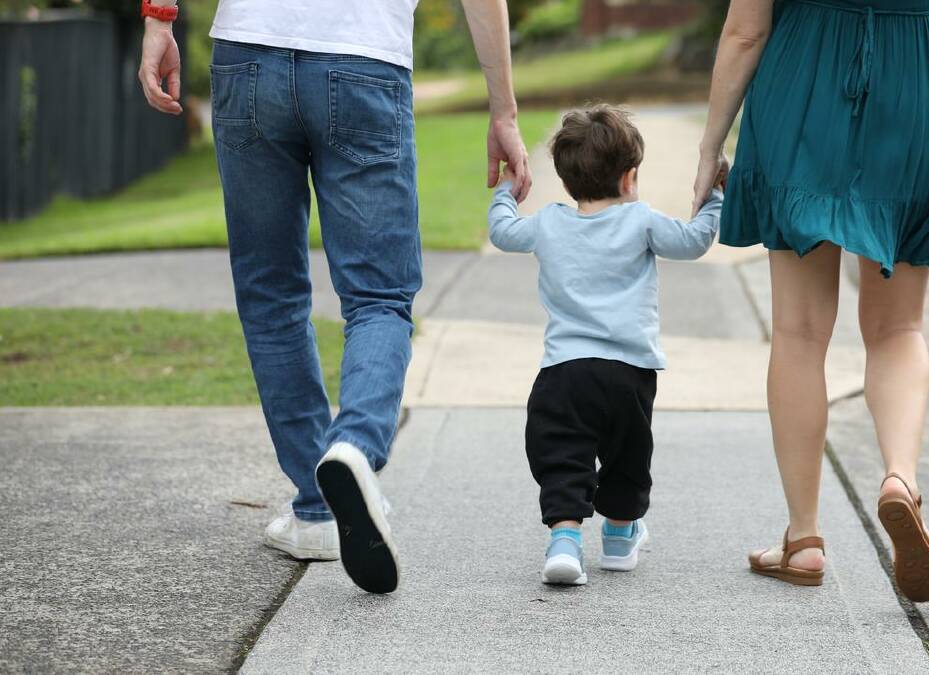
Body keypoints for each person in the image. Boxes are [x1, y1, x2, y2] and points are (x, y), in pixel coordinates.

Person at [138, 0, 533, 594]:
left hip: (248, 55)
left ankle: (317, 508)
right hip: (362, 60)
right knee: (379, 296)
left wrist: (160, 19)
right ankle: (353, 448)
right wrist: (503, 109)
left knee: (271, 293)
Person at [692, 0, 929, 601]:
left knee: (798, 332)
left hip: (804, 81)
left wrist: (710, 145)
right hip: (917, 79)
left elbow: (745, 29)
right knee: (898, 328)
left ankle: (804, 540)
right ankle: (899, 480)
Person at [489, 105, 726, 585]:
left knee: (561, 453)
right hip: (628, 372)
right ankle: (619, 540)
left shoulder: (549, 223)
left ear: (567, 179)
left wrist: (505, 193)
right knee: (627, 455)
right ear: (629, 177)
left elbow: (502, 231)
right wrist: (715, 195)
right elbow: (695, 241)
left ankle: (565, 542)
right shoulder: (641, 222)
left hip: (563, 371)